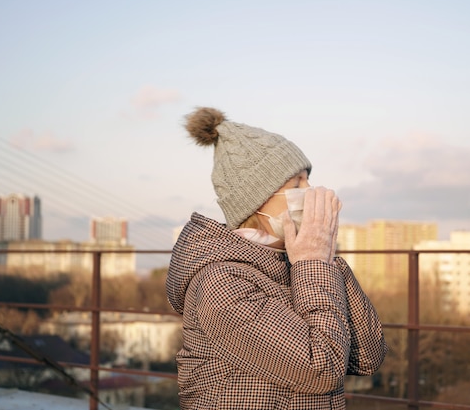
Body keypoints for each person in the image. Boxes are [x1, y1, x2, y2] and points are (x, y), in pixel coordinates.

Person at [166, 107, 388, 409]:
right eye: (296, 184)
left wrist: (324, 257)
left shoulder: (298, 263)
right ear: (256, 200)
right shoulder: (220, 283)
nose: (310, 192)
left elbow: (367, 357)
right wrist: (314, 262)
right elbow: (321, 369)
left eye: (308, 180)